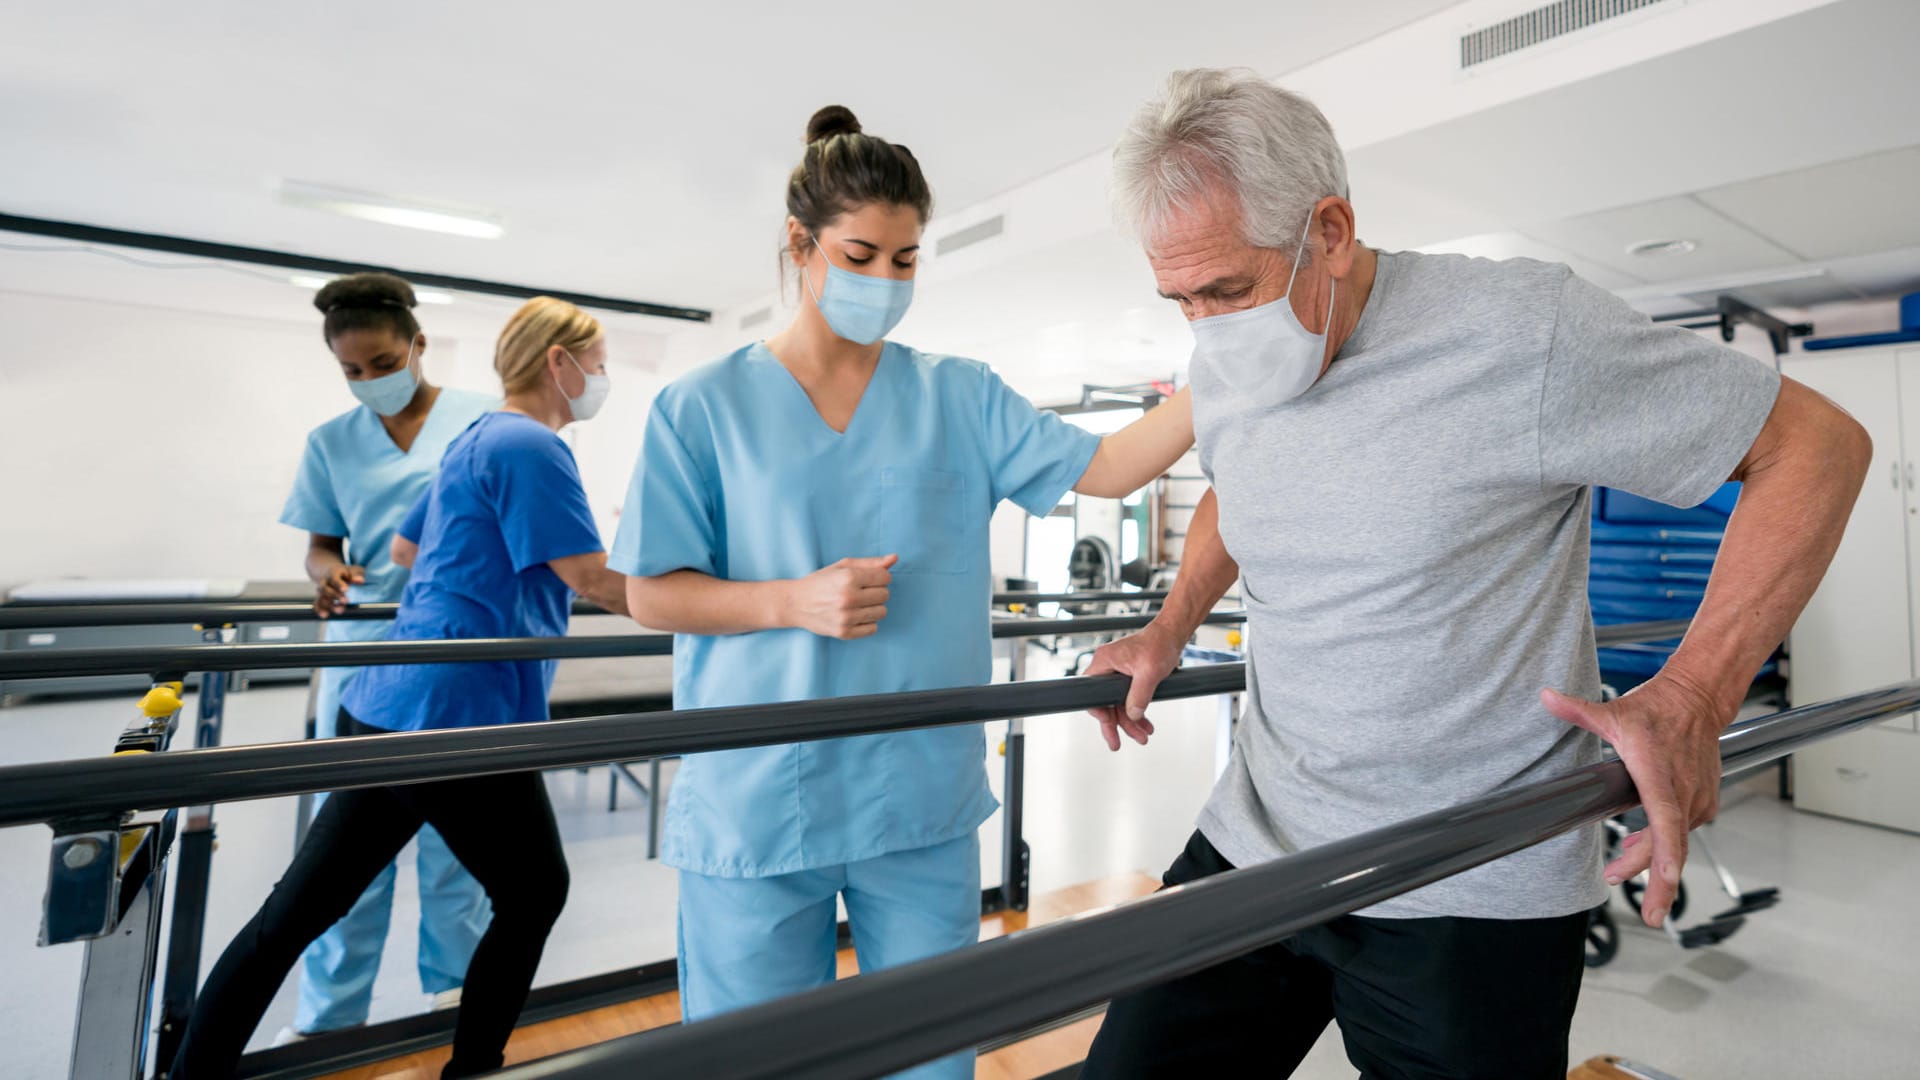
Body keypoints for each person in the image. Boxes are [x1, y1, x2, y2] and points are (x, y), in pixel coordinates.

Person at [1078, 69, 1870, 1079]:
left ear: (1328, 229)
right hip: (1261, 837)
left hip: (1471, 876)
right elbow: (1244, 486)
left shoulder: (1518, 332)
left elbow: (1817, 450)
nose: (1208, 327)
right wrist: (1170, 623)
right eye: (1179, 299)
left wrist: (1698, 696)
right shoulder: (1226, 360)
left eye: (1228, 290)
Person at [611, 105, 1193, 1080]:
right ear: (800, 246)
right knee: (750, 1063)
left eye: (907, 260)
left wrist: (1226, 359)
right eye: (862, 254)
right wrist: (788, 602)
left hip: (914, 797)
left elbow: (1111, 464)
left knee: (931, 1059)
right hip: (756, 798)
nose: (886, 281)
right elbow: (651, 594)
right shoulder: (702, 407)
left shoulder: (956, 396)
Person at [173, 297, 630, 1080]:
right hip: (459, 713)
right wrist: (737, 602)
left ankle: (192, 1072)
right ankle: (472, 1069)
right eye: (598, 362)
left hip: (384, 703)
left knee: (293, 916)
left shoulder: (475, 437)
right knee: (535, 893)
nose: (601, 377)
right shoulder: (533, 446)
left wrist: (485, 577)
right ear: (561, 363)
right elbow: (593, 581)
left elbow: (404, 548)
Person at [276, 271, 493, 1039]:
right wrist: (325, 574)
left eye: (381, 363)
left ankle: (457, 1004)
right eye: (351, 372)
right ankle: (329, 1023)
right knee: (348, 859)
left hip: (454, 654)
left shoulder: (484, 421)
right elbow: (318, 546)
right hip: (364, 655)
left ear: (419, 346)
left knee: (453, 851)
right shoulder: (330, 443)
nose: (369, 381)